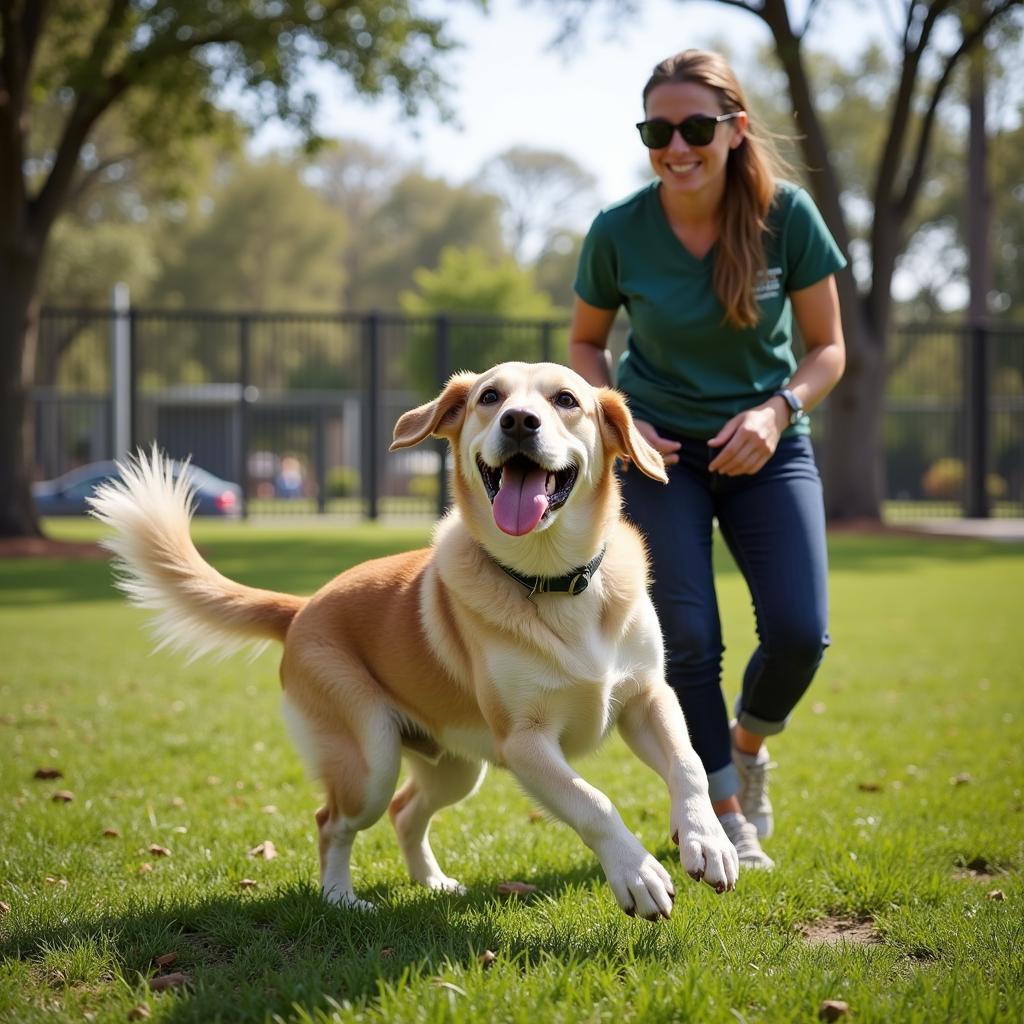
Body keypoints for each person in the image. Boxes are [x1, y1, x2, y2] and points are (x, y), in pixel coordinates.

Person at [569, 49, 846, 870]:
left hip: (768, 445)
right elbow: (586, 345)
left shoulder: (787, 216)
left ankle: (748, 747)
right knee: (686, 638)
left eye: (695, 126)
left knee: (802, 632)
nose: (676, 145)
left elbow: (828, 349)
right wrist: (624, 425)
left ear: (735, 129)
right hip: (663, 456)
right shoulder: (619, 229)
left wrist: (779, 408)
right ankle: (726, 814)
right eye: (658, 129)